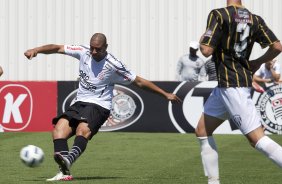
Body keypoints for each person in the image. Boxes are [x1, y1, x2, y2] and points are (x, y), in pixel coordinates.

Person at [24, 33, 181, 181]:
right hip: (80, 102)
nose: (93, 51)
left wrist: (165, 94)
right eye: (92, 47)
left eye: (97, 49)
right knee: (59, 130)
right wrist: (36, 50)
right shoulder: (83, 51)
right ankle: (64, 172)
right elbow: (57, 47)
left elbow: (139, 81)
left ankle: (68, 160)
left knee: (82, 130)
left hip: (99, 105)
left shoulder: (114, 65)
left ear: (106, 46)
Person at [195, 0, 282, 184]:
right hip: (229, 84)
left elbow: (206, 50)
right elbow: (276, 46)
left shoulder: (218, 14)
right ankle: (213, 182)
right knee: (203, 130)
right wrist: (258, 62)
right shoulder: (254, 18)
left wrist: (204, 36)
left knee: (257, 139)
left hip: (232, 84)